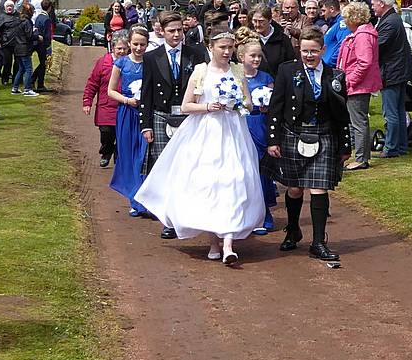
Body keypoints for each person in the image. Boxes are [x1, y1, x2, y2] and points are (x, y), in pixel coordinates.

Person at [135, 26, 265, 264]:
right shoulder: (201, 72)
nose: (227, 52)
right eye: (222, 47)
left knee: (233, 181)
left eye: (230, 47)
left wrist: (237, 104)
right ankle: (214, 241)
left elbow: (248, 103)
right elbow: (186, 106)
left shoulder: (237, 71)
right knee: (208, 184)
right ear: (210, 47)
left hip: (233, 134)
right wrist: (208, 107)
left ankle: (228, 244)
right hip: (206, 132)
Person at [266, 27, 351, 262]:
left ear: (323, 50)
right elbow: (276, 107)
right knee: (294, 189)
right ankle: (293, 230)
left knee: (319, 188)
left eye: (314, 51)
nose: (309, 55)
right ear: (299, 50)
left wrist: (345, 145)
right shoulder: (287, 70)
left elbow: (341, 114)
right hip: (293, 134)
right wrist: (273, 139)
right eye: (305, 51)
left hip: (324, 135)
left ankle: (318, 242)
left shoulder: (334, 76)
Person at [139, 11, 208, 239]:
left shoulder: (196, 54)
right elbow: (146, 93)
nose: (177, 35)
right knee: (166, 169)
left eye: (180, 30)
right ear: (162, 31)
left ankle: (188, 217)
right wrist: (146, 125)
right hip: (162, 115)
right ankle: (168, 221)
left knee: (188, 168)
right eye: (171, 31)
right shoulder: (151, 57)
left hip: (190, 117)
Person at [235, 27, 277, 234]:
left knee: (262, 169)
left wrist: (269, 105)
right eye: (253, 55)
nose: (257, 59)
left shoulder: (266, 77)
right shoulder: (234, 76)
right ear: (241, 57)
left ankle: (264, 213)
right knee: (243, 170)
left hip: (260, 124)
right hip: (242, 125)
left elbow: (275, 102)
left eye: (259, 56)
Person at [107, 27, 149, 215]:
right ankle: (134, 199)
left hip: (145, 114)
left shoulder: (151, 62)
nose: (139, 48)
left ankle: (144, 199)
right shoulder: (121, 63)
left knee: (144, 156)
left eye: (143, 44)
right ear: (129, 43)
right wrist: (126, 100)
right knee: (129, 156)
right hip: (126, 112)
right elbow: (111, 90)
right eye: (135, 44)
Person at [336, 1, 381, 171]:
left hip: (358, 86)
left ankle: (361, 158)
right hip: (358, 84)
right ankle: (360, 155)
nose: (345, 22)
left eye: (346, 18)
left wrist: (349, 81)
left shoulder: (362, 36)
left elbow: (364, 62)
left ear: (354, 18)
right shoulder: (362, 33)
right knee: (357, 120)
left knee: (358, 122)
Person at [372, 0, 412, 158]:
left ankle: (391, 147)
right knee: (397, 110)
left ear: (382, 3)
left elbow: (378, 46)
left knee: (391, 112)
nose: (372, 6)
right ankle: (401, 146)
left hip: (392, 72)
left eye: (373, 3)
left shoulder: (389, 22)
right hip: (398, 70)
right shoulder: (392, 19)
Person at [84, 30, 123, 168]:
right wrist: (87, 101)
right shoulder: (103, 62)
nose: (122, 51)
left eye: (125, 48)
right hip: (106, 106)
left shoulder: (131, 62)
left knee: (122, 135)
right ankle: (106, 151)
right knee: (106, 133)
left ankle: (119, 157)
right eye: (119, 48)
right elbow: (92, 83)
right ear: (113, 47)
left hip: (124, 106)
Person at [250, 3, 294, 78]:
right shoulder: (249, 39)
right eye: (254, 21)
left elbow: (290, 65)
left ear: (270, 20)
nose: (257, 25)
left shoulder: (283, 40)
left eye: (261, 21)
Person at [8, 4, 38, 97]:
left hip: (17, 47)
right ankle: (27, 89)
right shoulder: (27, 22)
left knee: (21, 69)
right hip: (24, 47)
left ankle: (15, 87)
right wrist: (37, 36)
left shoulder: (18, 21)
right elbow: (29, 36)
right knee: (28, 69)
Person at [31, 0, 55, 93]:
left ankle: (35, 81)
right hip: (43, 44)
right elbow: (47, 34)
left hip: (38, 43)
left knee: (42, 64)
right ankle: (38, 83)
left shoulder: (38, 17)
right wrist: (48, 46)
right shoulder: (46, 19)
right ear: (49, 8)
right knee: (43, 64)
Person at [321, 0, 350, 67]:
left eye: (324, 10)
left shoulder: (342, 24)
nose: (322, 14)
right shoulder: (334, 23)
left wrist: (331, 62)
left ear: (332, 9)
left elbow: (344, 45)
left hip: (332, 67)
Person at [0, 0, 19, 86]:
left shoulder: (17, 15)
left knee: (17, 62)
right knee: (7, 62)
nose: (9, 8)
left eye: (11, 6)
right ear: (5, 8)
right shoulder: (1, 17)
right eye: (8, 6)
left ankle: (16, 79)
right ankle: (5, 78)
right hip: (6, 43)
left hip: (17, 43)